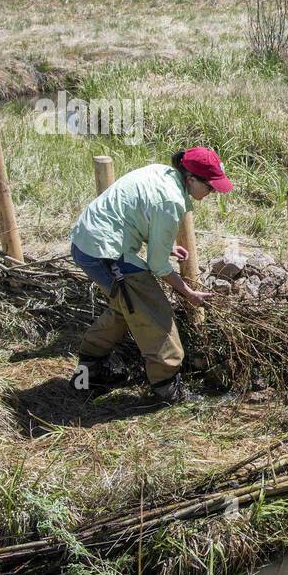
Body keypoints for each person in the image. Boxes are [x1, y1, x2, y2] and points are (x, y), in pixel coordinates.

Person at [69, 147, 232, 403]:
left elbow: (138, 213)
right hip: (106, 253)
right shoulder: (170, 201)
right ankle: (166, 389)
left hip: (86, 242)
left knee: (126, 308)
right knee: (157, 315)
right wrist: (188, 293)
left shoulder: (162, 173)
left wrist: (165, 245)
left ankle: (87, 375)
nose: (211, 193)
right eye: (210, 187)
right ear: (190, 178)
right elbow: (158, 267)